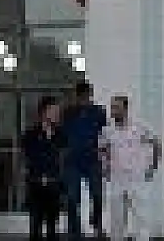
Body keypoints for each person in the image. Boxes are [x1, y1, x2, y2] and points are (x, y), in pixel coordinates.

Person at [99, 94, 159, 241]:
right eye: (112, 108)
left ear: (125, 109)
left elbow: (156, 144)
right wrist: (105, 167)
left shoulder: (139, 127)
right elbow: (102, 150)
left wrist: (152, 167)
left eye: (116, 108)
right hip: (117, 179)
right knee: (117, 220)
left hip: (136, 178)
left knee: (141, 217)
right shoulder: (107, 130)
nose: (113, 111)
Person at [62, 81, 107, 239]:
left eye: (87, 96)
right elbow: (62, 134)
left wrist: (103, 154)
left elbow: (105, 134)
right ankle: (74, 229)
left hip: (93, 159)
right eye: (81, 96)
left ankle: (97, 224)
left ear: (91, 95)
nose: (84, 99)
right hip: (73, 160)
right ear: (77, 96)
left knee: (97, 195)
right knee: (72, 197)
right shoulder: (68, 113)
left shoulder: (99, 113)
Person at [23, 96, 66, 241]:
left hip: (54, 183)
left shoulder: (61, 135)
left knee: (52, 225)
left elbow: (62, 157)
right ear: (44, 112)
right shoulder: (31, 135)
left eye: (58, 112)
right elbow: (29, 157)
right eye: (53, 111)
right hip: (35, 182)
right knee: (35, 224)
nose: (56, 115)